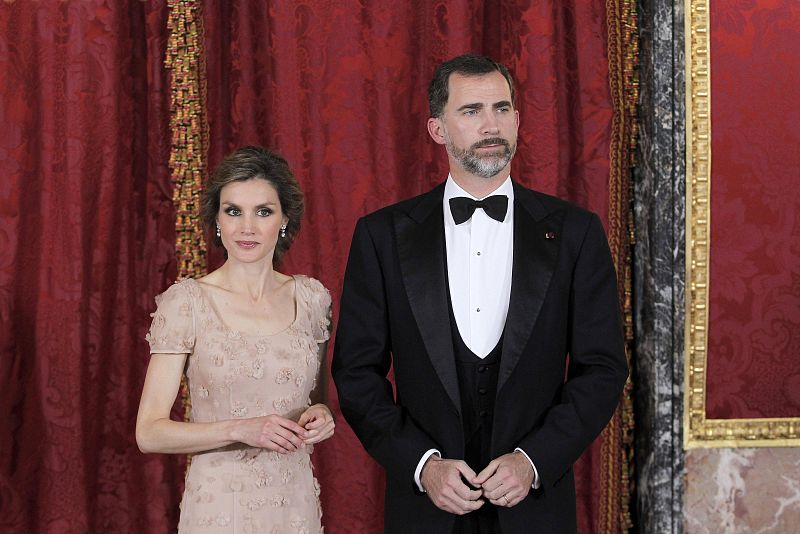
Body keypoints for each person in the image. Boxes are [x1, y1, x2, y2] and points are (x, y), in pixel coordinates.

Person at [331, 54, 628, 533]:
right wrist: (422, 464)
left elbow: (604, 368)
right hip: (425, 512)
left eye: (502, 108)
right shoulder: (382, 235)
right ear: (437, 129)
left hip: (535, 510)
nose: (491, 125)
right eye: (471, 111)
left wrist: (533, 460)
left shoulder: (576, 232)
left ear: (517, 118)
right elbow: (355, 371)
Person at [136, 146, 334, 534]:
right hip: (219, 507)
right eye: (233, 211)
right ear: (217, 222)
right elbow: (149, 431)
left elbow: (319, 400)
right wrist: (239, 429)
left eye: (263, 211)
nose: (247, 227)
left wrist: (322, 416)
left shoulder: (312, 300)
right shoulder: (187, 303)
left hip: (294, 505)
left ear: (284, 220)